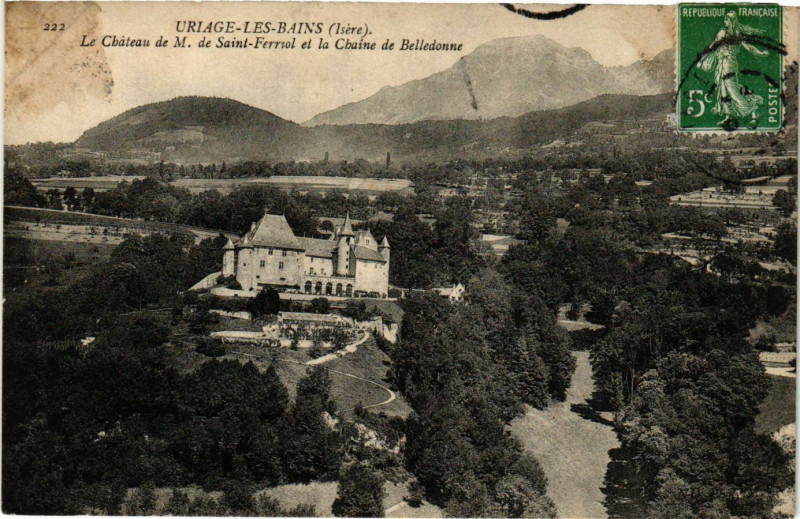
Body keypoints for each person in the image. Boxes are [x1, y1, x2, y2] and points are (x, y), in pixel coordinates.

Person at [698, 11, 770, 125]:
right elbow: (713, 46)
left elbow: (749, 48)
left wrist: (760, 53)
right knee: (723, 90)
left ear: (732, 21)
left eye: (726, 19)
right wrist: (702, 59)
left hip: (728, 63)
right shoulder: (724, 32)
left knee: (732, 90)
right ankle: (728, 117)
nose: (724, 21)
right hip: (722, 63)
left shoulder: (735, 34)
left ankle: (753, 112)